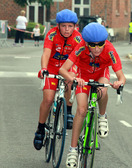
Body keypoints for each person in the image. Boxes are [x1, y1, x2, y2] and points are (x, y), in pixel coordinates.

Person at [59, 22, 126, 168]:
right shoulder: (80, 47)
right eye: (92, 45)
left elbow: (121, 76)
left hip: (101, 74)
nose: (97, 48)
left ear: (105, 42)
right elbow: (63, 70)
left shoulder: (109, 49)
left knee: (102, 90)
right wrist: (74, 78)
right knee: (81, 110)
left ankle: (102, 116)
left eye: (100, 44)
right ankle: (73, 150)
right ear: (86, 42)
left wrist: (118, 83)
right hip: (83, 77)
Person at [33, 9, 82, 150]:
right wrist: (43, 68)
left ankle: (68, 110)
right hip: (52, 68)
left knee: (70, 80)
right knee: (48, 99)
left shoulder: (78, 38)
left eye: (70, 26)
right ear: (58, 25)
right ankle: (40, 129)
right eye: (64, 26)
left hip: (68, 67)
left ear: (75, 26)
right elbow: (46, 53)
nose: (67, 30)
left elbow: (78, 59)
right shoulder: (52, 34)